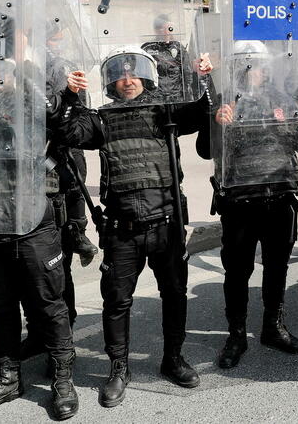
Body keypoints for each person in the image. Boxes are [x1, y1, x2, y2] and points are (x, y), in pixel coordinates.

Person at [56, 46, 211, 407]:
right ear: (112, 81)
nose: (127, 81)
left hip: (167, 224)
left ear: (145, 76)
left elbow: (202, 109)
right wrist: (71, 93)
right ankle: (119, 368)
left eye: (133, 73)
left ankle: (173, 358)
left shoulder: (164, 111)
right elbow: (68, 133)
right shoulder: (103, 118)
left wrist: (205, 76)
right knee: (116, 301)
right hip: (122, 229)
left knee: (174, 293)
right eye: (120, 74)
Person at [0, 58, 79, 421]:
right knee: (0, 308)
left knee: (49, 305)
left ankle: (63, 379)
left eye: (2, 79)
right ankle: (7, 378)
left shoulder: (35, 112)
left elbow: (62, 120)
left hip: (33, 224)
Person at [211, 40, 298, 369]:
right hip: (240, 199)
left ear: (266, 67)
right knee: (238, 269)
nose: (251, 70)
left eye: (255, 63)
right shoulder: (224, 99)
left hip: (280, 195)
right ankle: (237, 334)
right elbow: (207, 149)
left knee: (276, 266)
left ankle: (273, 327)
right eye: (244, 64)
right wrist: (216, 123)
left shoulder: (281, 99)